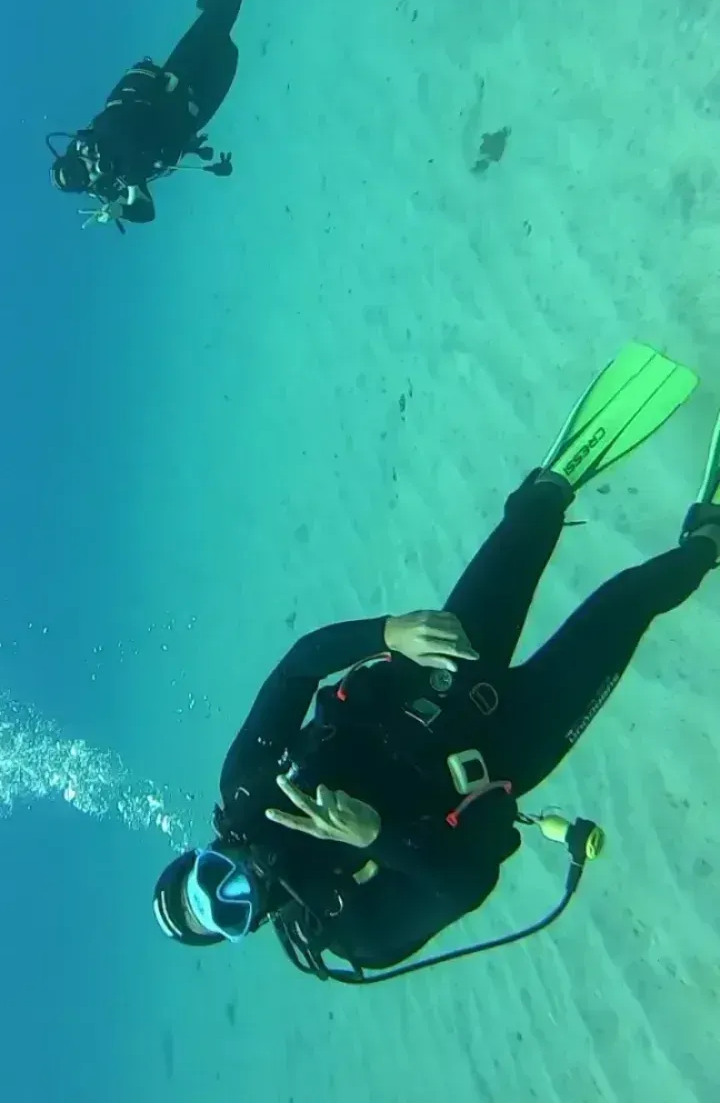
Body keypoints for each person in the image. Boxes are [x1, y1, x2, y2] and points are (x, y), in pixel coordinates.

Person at [152, 342, 718, 982]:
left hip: (436, 673)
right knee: (629, 599)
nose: (240, 885)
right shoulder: (351, 931)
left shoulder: (247, 785)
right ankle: (706, 539)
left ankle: (553, 485)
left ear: (207, 850)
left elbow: (296, 669)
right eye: (229, 912)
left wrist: (388, 633)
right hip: (509, 751)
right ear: (248, 928)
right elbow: (465, 886)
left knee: (526, 526)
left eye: (212, 876)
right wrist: (377, 837)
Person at [47, 0, 313, 231]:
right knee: (227, 23)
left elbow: (129, 130)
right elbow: (146, 211)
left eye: (82, 162)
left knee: (226, 10)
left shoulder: (104, 136)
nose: (91, 165)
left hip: (181, 74)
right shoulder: (119, 182)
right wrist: (120, 209)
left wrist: (125, 172)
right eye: (84, 176)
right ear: (87, 188)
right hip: (199, 106)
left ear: (75, 151)